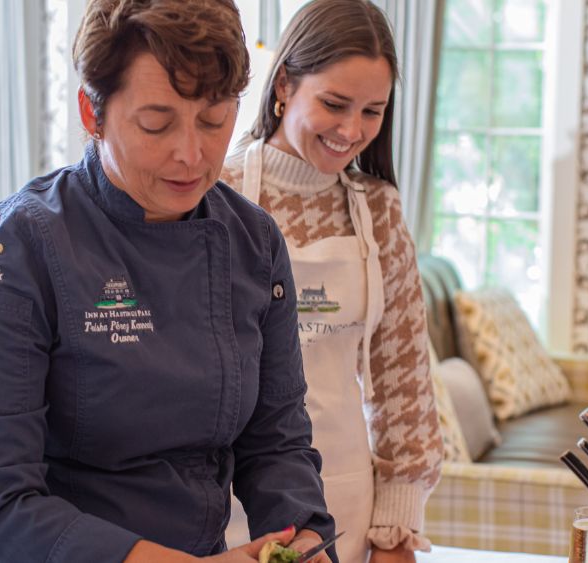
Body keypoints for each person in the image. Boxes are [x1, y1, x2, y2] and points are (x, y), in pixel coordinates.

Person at [0, 1, 335, 562]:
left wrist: (305, 538)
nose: (191, 154)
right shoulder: (24, 242)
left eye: (215, 121)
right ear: (91, 113)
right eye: (156, 123)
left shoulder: (253, 243)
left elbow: (275, 442)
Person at [221, 2, 443, 562]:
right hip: (225, 501)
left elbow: (403, 382)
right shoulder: (214, 194)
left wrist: (395, 531)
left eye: (373, 111)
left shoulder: (379, 211)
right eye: (334, 104)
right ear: (284, 87)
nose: (352, 131)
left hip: (347, 498)